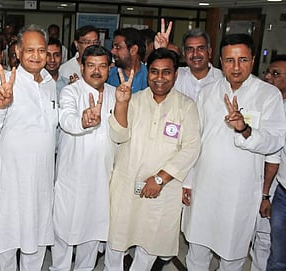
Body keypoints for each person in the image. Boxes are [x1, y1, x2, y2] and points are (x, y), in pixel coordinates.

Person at [182, 34, 286, 271]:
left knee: (232, 255)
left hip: (240, 192)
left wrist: (244, 128)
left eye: (242, 60)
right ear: (220, 60)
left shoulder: (267, 95)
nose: (236, 67)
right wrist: (187, 181)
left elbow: (274, 143)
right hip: (204, 185)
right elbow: (195, 139)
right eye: (229, 60)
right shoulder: (207, 92)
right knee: (197, 249)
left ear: (253, 60)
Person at [104, 48, 201, 271]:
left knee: (151, 244)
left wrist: (159, 179)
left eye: (166, 72)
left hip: (163, 189)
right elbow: (118, 135)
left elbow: (191, 148)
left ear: (176, 74)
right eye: (154, 72)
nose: (159, 78)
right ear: (148, 74)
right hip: (126, 185)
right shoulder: (134, 100)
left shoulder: (187, 106)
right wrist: (121, 104)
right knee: (116, 243)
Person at [0, 24, 57, 270]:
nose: (36, 56)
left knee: (36, 245)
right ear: (17, 51)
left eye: (42, 51)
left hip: (42, 183)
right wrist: (1, 106)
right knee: (8, 247)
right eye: (30, 50)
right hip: (12, 183)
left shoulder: (49, 83)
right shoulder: (3, 84)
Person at [51, 45, 116, 271]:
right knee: (64, 235)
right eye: (91, 66)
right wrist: (83, 122)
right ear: (81, 66)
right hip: (72, 180)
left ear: (110, 68)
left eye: (102, 66)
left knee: (92, 235)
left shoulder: (116, 94)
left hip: (101, 181)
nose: (96, 71)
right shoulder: (70, 91)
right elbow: (66, 119)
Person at [264, 58, 286, 271]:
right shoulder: (267, 103)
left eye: (276, 74)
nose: (268, 77)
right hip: (281, 193)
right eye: (268, 72)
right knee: (276, 253)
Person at [173, 29, 222, 102]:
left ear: (209, 52)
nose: (195, 54)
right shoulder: (175, 76)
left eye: (200, 48)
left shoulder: (222, 79)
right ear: (184, 53)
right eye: (190, 49)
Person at [107, 27, 148, 93]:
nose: (112, 51)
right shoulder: (109, 75)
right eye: (113, 47)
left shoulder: (150, 76)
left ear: (133, 50)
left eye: (118, 47)